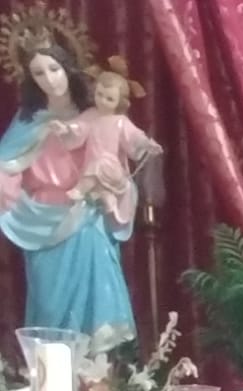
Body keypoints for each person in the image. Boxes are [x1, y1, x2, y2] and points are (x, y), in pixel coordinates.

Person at [0, 41, 144, 355]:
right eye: (39, 73)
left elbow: (118, 162)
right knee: (50, 306)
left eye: (53, 68)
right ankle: (53, 382)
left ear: (67, 67)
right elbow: (5, 163)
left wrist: (117, 185)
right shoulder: (28, 121)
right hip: (44, 222)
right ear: (31, 78)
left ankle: (97, 383)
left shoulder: (94, 115)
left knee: (97, 304)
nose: (49, 79)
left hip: (87, 216)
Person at [71, 68, 157, 229]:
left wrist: (146, 143)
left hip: (112, 170)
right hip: (89, 172)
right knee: (98, 192)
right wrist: (67, 129)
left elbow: (135, 137)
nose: (102, 101)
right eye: (99, 95)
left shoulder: (120, 121)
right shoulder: (91, 115)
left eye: (109, 98)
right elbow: (78, 128)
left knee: (100, 164)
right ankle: (107, 202)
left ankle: (80, 190)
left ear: (119, 102)